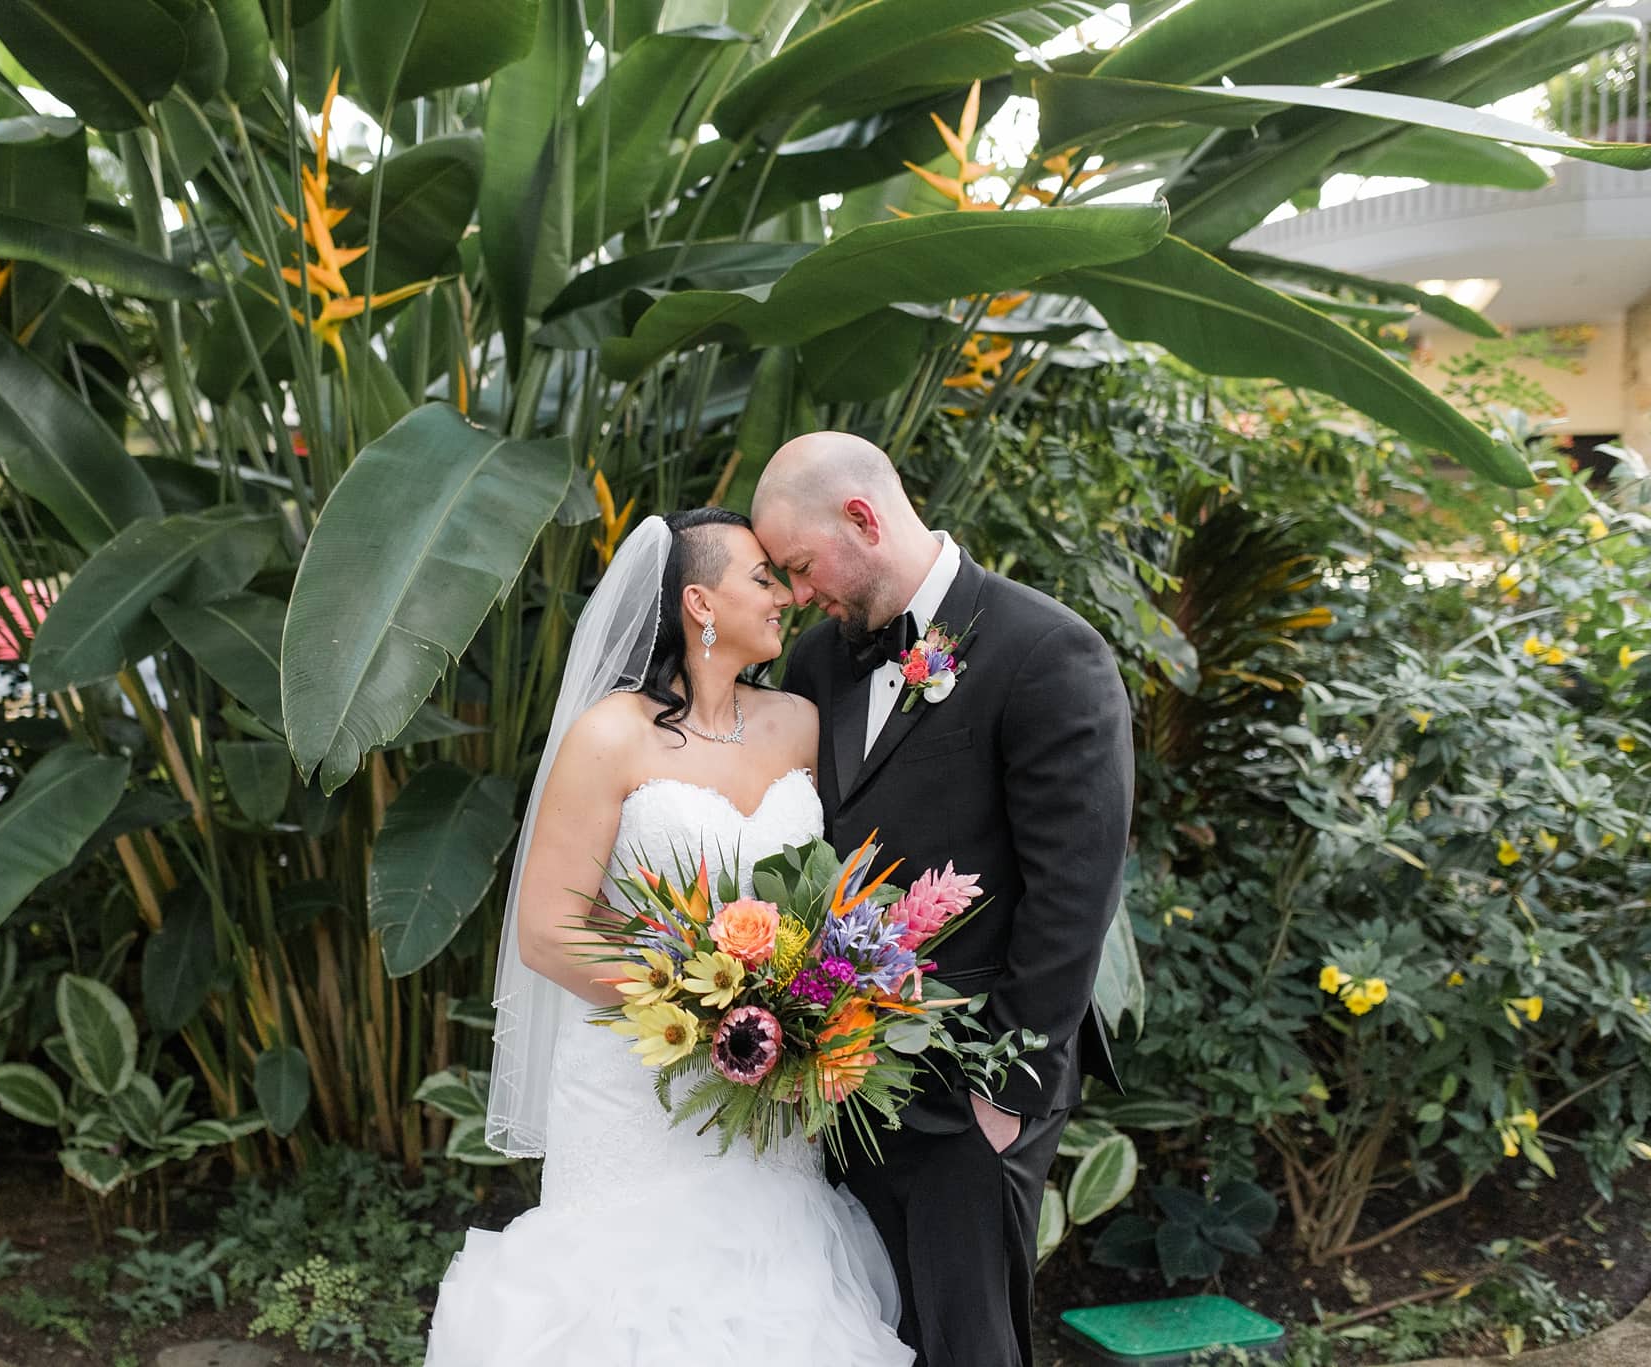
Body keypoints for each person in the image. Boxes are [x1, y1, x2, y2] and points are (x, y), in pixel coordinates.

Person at [424, 508, 913, 1366]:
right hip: (639, 1083)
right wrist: (703, 1003)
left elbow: (824, 901)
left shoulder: (799, 724)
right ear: (700, 602)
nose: (785, 596)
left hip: (769, 1091)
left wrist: (811, 1006)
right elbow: (547, 930)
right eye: (762, 578)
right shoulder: (609, 736)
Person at [752, 431, 1134, 1367]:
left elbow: (1074, 891)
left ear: (864, 518)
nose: (799, 594)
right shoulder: (817, 664)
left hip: (977, 1081)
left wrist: (1000, 1095)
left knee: (970, 1344)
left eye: (801, 567)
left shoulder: (1048, 650)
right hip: (845, 1076)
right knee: (874, 1336)